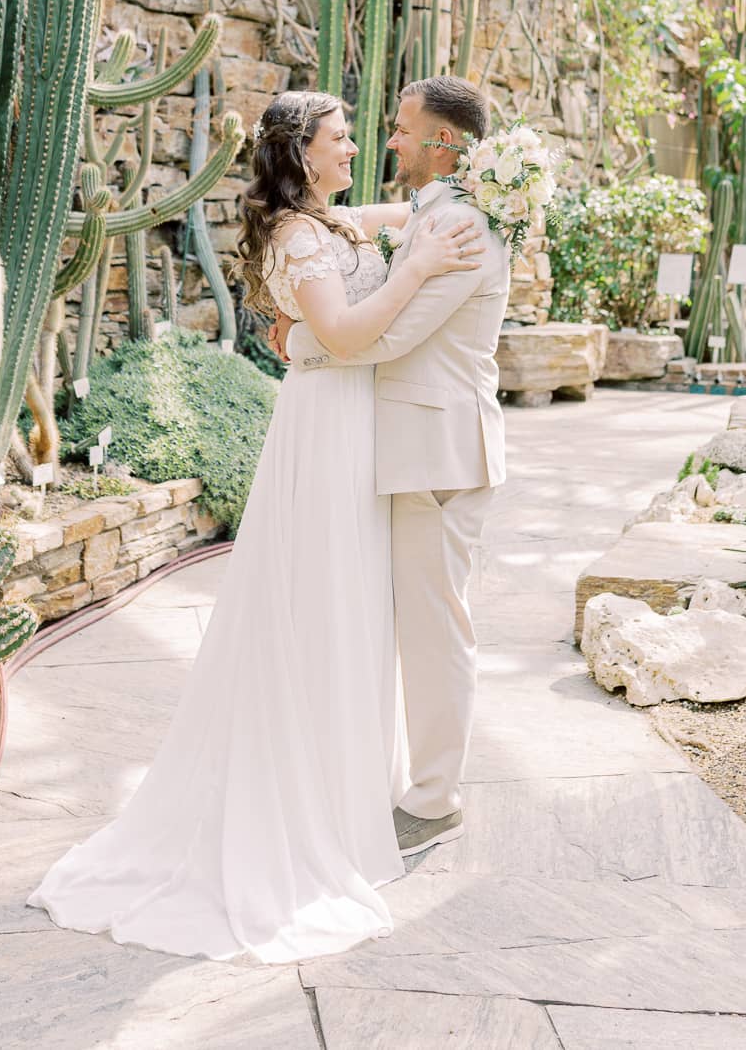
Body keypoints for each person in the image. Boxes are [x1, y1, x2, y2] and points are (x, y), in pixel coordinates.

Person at [26, 89, 483, 964]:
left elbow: (403, 209)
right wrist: (417, 268)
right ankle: (299, 809)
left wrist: (468, 191)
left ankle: (342, 796)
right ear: (305, 153)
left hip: (353, 429)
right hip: (325, 433)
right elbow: (344, 334)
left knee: (350, 613)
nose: (356, 149)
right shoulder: (295, 236)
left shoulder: (326, 221)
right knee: (317, 611)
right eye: (342, 138)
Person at [272, 76, 510, 856]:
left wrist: (302, 342)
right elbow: (371, 226)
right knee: (410, 625)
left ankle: (436, 798)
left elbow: (397, 334)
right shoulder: (437, 210)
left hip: (441, 451)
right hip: (411, 450)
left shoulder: (465, 226)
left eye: (404, 129)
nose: (391, 140)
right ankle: (408, 778)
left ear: (443, 142)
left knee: (437, 632)